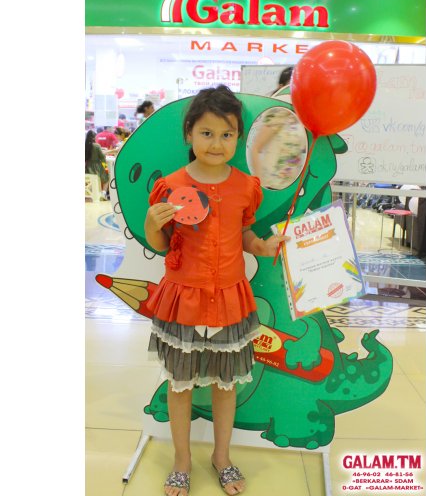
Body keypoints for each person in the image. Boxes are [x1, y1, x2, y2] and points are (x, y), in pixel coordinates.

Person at [144, 85, 289, 496]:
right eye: (207, 133)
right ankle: (181, 460)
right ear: (189, 133)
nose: (216, 143)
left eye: (227, 134)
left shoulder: (245, 186)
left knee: (226, 385)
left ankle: (221, 457)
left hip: (229, 299)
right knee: (180, 385)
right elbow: (161, 244)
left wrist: (262, 246)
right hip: (184, 300)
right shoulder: (171, 186)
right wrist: (153, 223)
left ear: (239, 137)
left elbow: (244, 234)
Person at [85, 130, 109, 197]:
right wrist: (106, 168)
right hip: (97, 167)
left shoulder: (85, 146)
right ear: (94, 137)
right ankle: (103, 194)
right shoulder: (97, 146)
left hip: (87, 167)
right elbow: (102, 158)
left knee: (90, 181)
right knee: (106, 179)